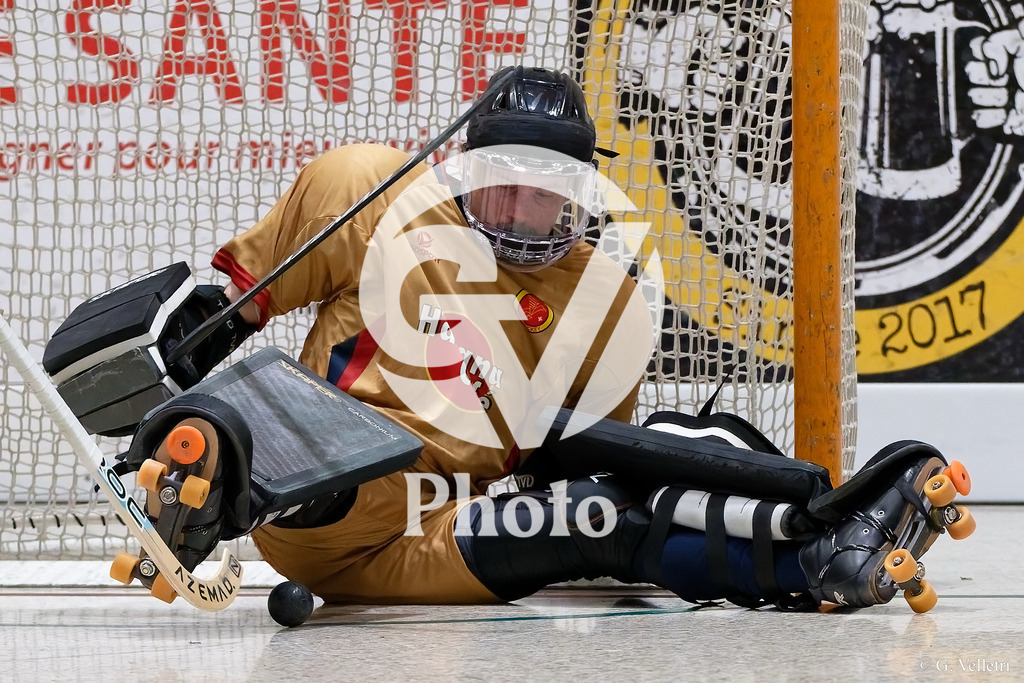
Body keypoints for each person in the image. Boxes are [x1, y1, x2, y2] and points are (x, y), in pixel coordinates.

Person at [129, 66, 970, 611]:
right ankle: (239, 477)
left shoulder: (607, 297)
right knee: (321, 457)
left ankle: (823, 544)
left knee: (611, 504)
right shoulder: (369, 193)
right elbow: (218, 322)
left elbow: (594, 461)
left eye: (549, 191)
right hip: (318, 512)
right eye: (503, 187)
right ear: (462, 168)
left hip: (438, 532)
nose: (525, 212)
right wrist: (184, 399)